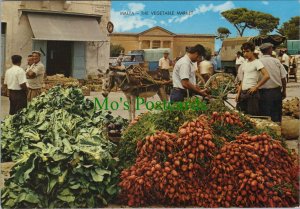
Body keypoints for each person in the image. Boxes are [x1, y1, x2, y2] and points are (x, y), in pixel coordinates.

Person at [235, 42, 270, 116]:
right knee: (239, 115)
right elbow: (243, 79)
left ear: (252, 51)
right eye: (244, 52)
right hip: (243, 93)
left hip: (251, 93)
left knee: (252, 116)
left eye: (247, 51)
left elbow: (267, 76)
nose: (245, 54)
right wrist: (238, 93)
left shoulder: (257, 62)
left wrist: (256, 87)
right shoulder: (244, 63)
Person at [258, 43, 287, 123]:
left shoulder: (258, 62)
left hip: (262, 93)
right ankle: (278, 131)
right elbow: (283, 78)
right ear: (270, 50)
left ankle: (268, 133)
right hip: (276, 92)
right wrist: (284, 91)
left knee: (265, 116)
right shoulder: (276, 61)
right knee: (276, 115)